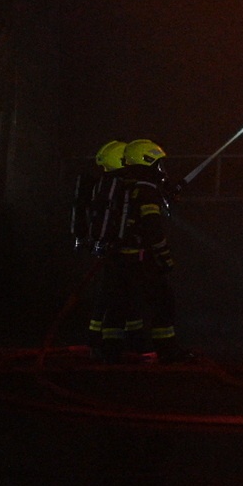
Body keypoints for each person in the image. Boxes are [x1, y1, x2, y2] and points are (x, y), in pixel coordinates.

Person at [98, 138, 184, 362]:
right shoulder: (146, 191)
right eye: (157, 163)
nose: (161, 169)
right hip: (141, 260)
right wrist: (165, 258)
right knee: (162, 303)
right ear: (146, 161)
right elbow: (152, 229)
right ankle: (168, 352)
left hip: (118, 258)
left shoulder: (123, 185)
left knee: (118, 306)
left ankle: (109, 352)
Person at [79, 140, 126, 353]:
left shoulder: (105, 183)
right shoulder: (115, 183)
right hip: (114, 251)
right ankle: (106, 344)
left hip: (109, 248)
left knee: (108, 294)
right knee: (113, 294)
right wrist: (104, 242)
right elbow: (108, 216)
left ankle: (99, 341)